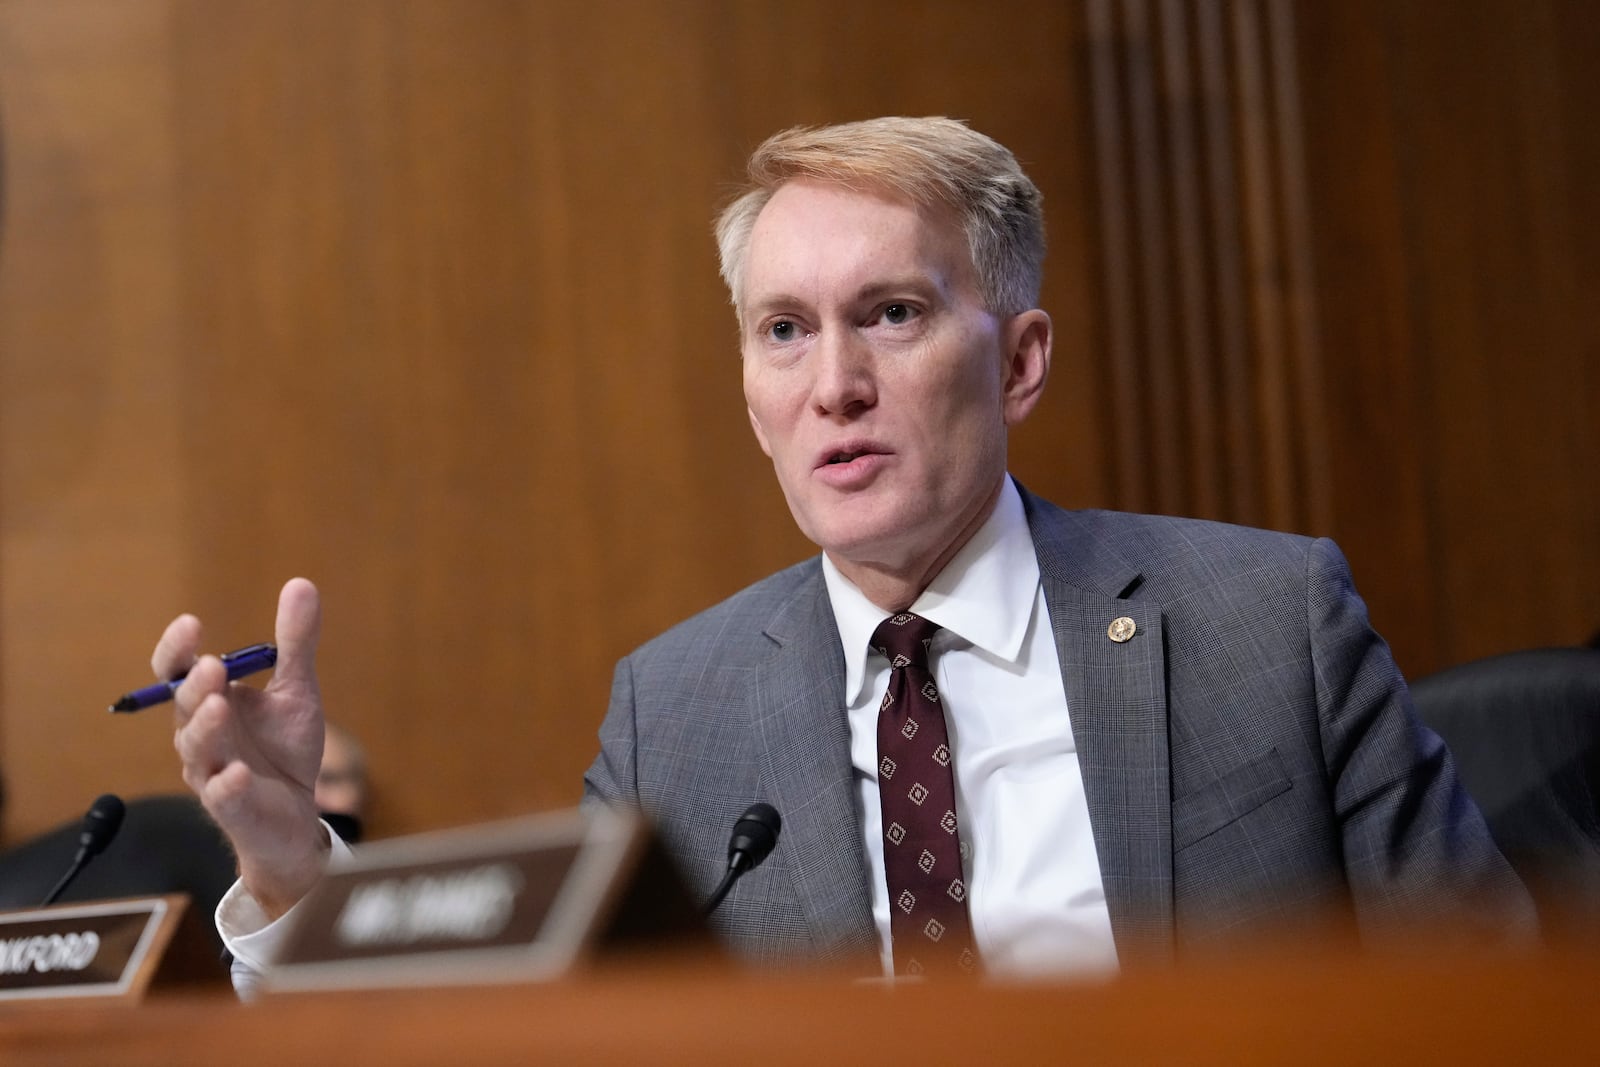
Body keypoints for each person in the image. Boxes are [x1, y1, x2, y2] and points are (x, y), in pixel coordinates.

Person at [160, 117, 1533, 989]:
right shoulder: (677, 709)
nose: (835, 385)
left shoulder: (1263, 620)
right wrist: (294, 874)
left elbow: (1491, 998)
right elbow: (546, 1035)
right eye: (784, 331)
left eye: (888, 314)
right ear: (750, 390)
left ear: (1022, 357)